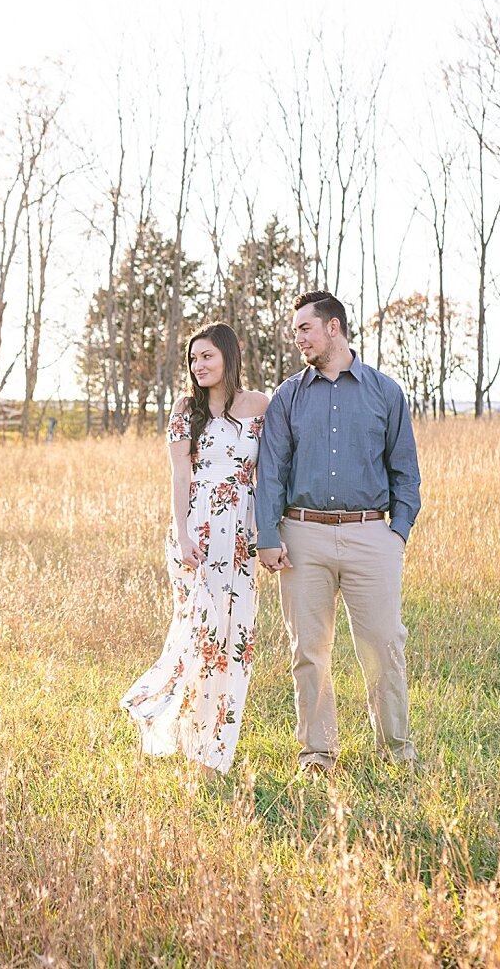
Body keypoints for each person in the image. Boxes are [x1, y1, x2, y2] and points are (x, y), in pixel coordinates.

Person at [255, 290, 421, 777]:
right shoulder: (288, 396)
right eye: (294, 332)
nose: (298, 339)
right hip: (302, 535)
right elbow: (271, 472)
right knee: (308, 649)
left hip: (372, 536)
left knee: (385, 644)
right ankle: (317, 753)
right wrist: (268, 533)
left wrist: (399, 533)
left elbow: (405, 470)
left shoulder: (385, 392)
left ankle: (396, 751)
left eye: (304, 329)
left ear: (333, 327)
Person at [121, 322, 270, 776]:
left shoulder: (261, 405)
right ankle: (174, 724)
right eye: (193, 359)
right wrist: (183, 534)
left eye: (207, 356)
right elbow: (180, 476)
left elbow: (270, 474)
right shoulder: (186, 408)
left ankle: (214, 751)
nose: (199, 365)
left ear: (228, 356)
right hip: (199, 536)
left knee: (235, 642)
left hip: (242, 535)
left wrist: (268, 534)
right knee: (200, 639)